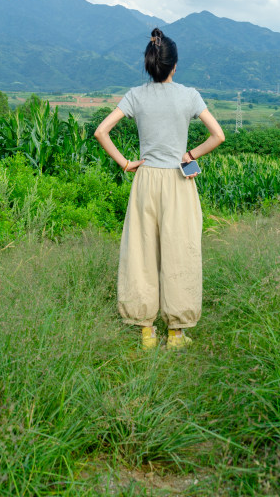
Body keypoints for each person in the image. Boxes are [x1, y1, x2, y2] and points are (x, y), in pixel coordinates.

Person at [94, 28, 225, 350]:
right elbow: (218, 136)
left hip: (146, 179)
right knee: (181, 252)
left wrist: (126, 163)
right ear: (174, 66)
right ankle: (177, 333)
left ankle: (146, 331)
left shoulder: (135, 96)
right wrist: (190, 155)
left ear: (150, 64)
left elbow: (101, 132)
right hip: (179, 181)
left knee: (140, 252)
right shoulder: (190, 96)